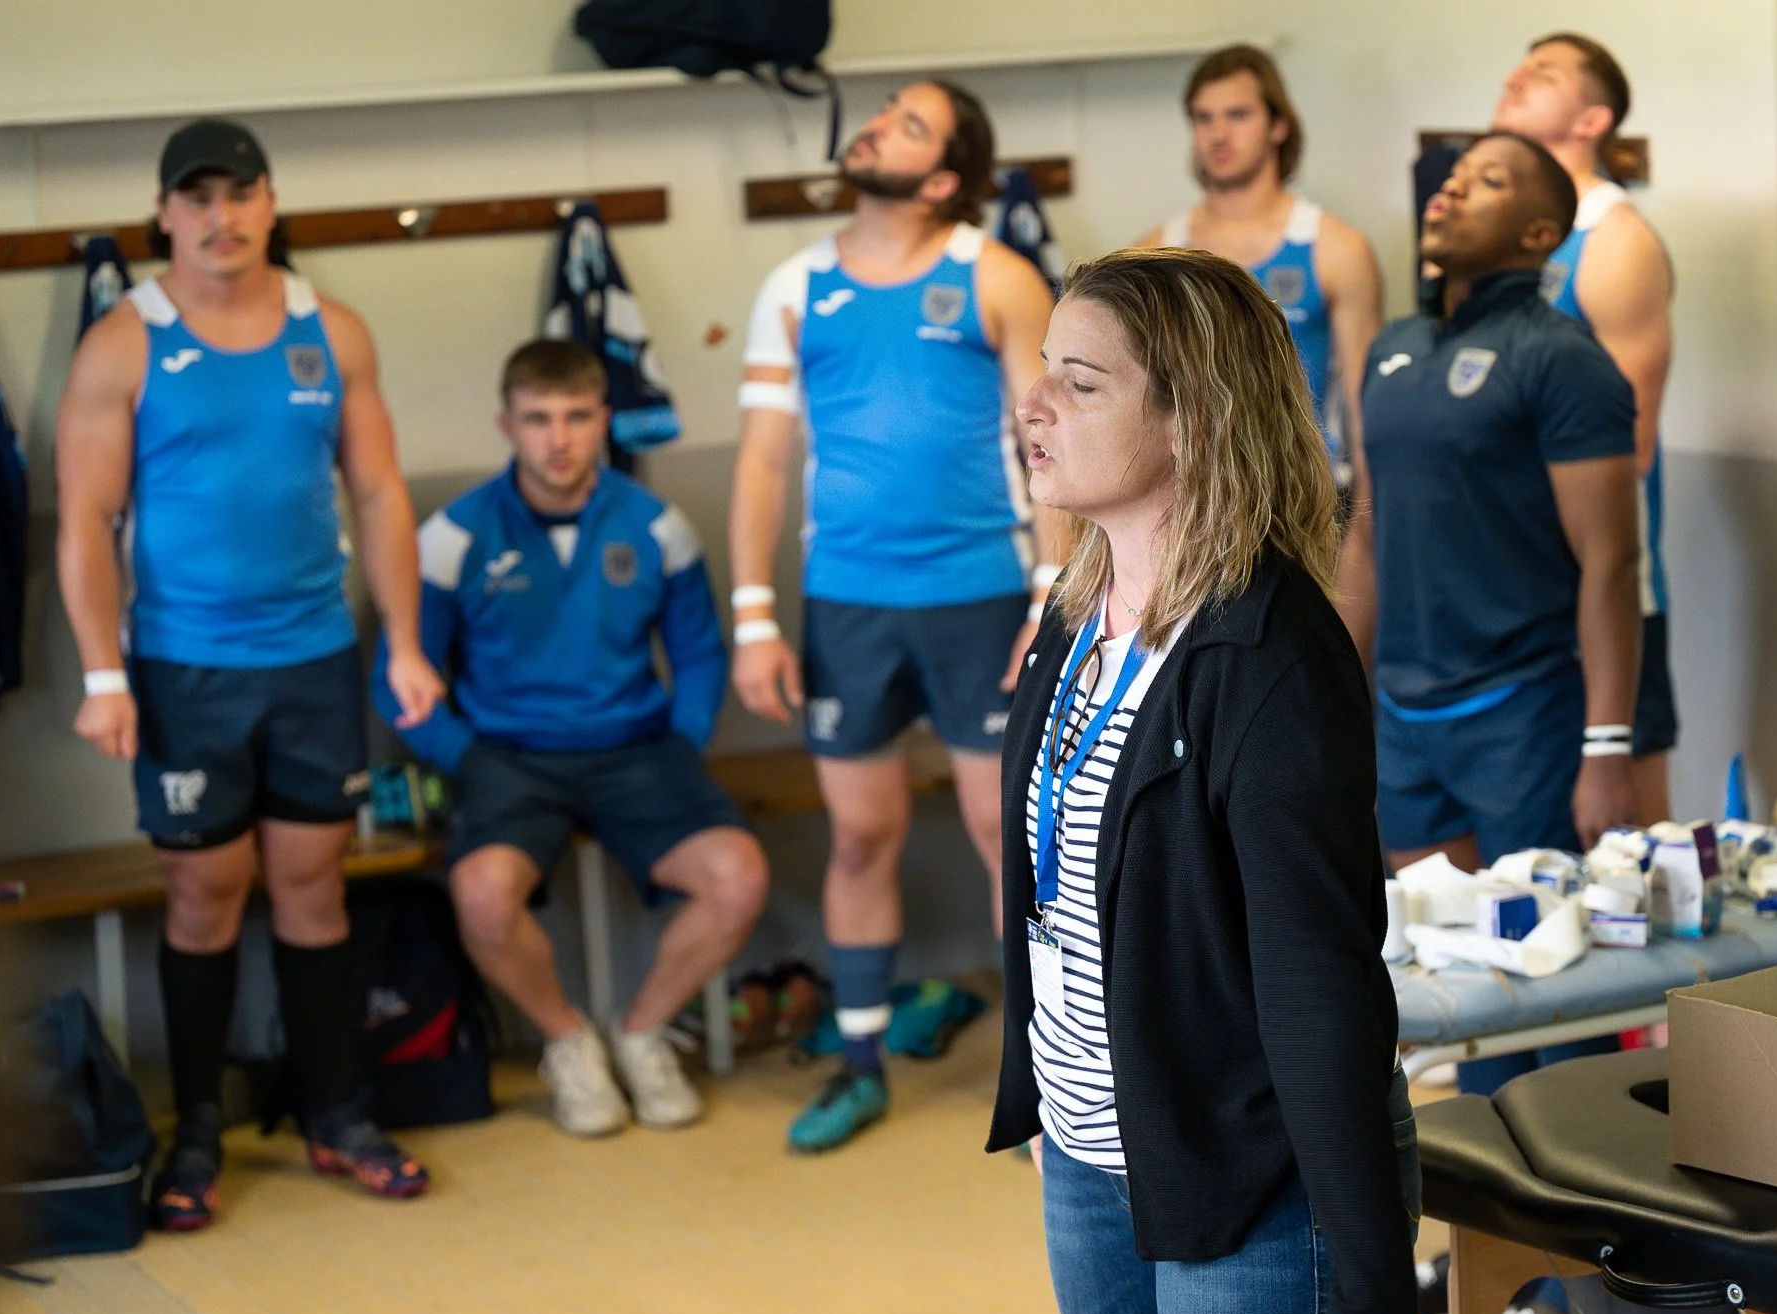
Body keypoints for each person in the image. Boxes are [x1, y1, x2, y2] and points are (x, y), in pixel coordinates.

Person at [986, 247, 1418, 1314]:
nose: (1033, 402)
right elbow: (1054, 892)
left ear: (1191, 419)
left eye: (1081, 382)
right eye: (1044, 369)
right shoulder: (1073, 616)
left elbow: (1315, 978)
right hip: (1088, 1145)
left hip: (1246, 1177)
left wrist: (1369, 1275)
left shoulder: (1269, 655)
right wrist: (1050, 1091)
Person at [56, 118, 443, 1229]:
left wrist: (404, 642)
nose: (220, 218)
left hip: (314, 660)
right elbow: (84, 519)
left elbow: (379, 492)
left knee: (316, 886)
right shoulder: (125, 342)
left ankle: (337, 1112)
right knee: (203, 894)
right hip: (187, 670)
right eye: (198, 198)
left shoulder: (333, 329)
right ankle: (196, 1131)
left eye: (240, 195)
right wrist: (103, 675)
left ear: (271, 204)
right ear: (165, 214)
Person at [729, 80, 1057, 1152]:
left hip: (982, 598)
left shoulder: (995, 275)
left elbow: (1054, 445)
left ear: (943, 177)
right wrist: (752, 616)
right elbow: (763, 460)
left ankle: (1047, 1076)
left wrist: (1053, 598)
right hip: (848, 605)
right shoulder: (796, 284)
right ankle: (860, 1060)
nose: (873, 128)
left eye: (906, 125)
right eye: (880, 115)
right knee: (862, 833)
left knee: (1005, 835)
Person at [375, 340, 770, 1136]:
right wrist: (463, 756)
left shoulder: (656, 525)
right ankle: (569, 1043)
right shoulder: (454, 535)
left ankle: (642, 1032)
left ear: (604, 420)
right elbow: (399, 672)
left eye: (577, 417)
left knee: (738, 877)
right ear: (507, 425)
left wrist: (684, 740)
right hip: (508, 757)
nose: (558, 439)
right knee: (482, 894)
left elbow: (699, 653)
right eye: (538, 419)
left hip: (637, 747)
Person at [1349, 134, 1641, 917]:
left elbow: (1612, 562)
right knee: (1441, 961)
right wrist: (1338, 709)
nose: (1450, 190)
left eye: (1487, 181)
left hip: (1522, 716)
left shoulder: (1562, 357)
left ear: (1540, 233)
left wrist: (1608, 748)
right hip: (1404, 716)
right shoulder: (1391, 349)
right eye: (1452, 177)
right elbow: (1365, 536)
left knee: (1541, 962)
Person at [1494, 32, 1679, 824]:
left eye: (1543, 73)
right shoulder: (1495, 235)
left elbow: (1628, 443)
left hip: (1591, 583)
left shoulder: (1615, 240)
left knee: (1622, 829)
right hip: (1500, 581)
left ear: (1592, 120)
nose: (1514, 78)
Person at [1139, 45, 1382, 509]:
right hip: (1192, 506)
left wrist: (1366, 531)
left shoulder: (1336, 248)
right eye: (1203, 118)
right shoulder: (1155, 254)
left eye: (1238, 115)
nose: (1218, 134)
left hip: (1309, 503)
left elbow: (1366, 407)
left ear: (1278, 125)